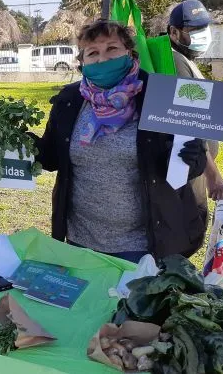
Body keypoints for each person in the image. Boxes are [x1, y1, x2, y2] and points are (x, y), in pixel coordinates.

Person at [33, 20, 209, 263]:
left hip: (142, 245)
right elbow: (52, 157)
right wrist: (22, 144)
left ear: (130, 52)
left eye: (112, 49)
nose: (103, 59)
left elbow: (183, 171)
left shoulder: (160, 96)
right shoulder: (70, 100)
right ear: (82, 61)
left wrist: (192, 156)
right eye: (92, 53)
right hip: (80, 240)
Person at [168, 0, 223, 204]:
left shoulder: (186, 59)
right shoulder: (176, 60)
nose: (203, 33)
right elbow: (187, 123)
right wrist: (213, 176)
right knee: (190, 225)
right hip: (188, 167)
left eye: (205, 27)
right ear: (174, 33)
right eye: (194, 29)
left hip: (196, 167)